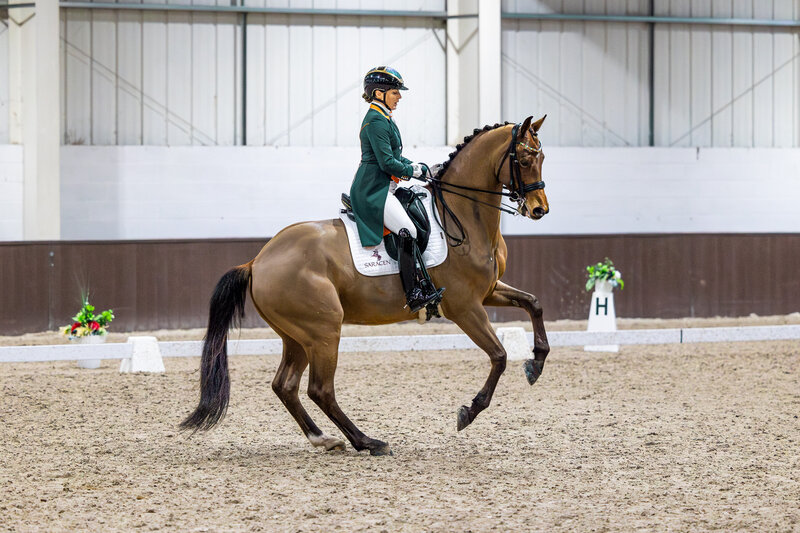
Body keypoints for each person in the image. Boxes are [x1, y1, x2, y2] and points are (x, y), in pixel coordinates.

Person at [349, 66, 445, 313]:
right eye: (395, 92)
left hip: (384, 185)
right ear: (379, 93)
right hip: (373, 189)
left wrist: (419, 167)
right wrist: (417, 171)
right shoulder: (376, 121)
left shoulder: (384, 118)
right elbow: (387, 163)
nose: (399, 97)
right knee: (408, 230)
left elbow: (394, 157)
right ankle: (413, 292)